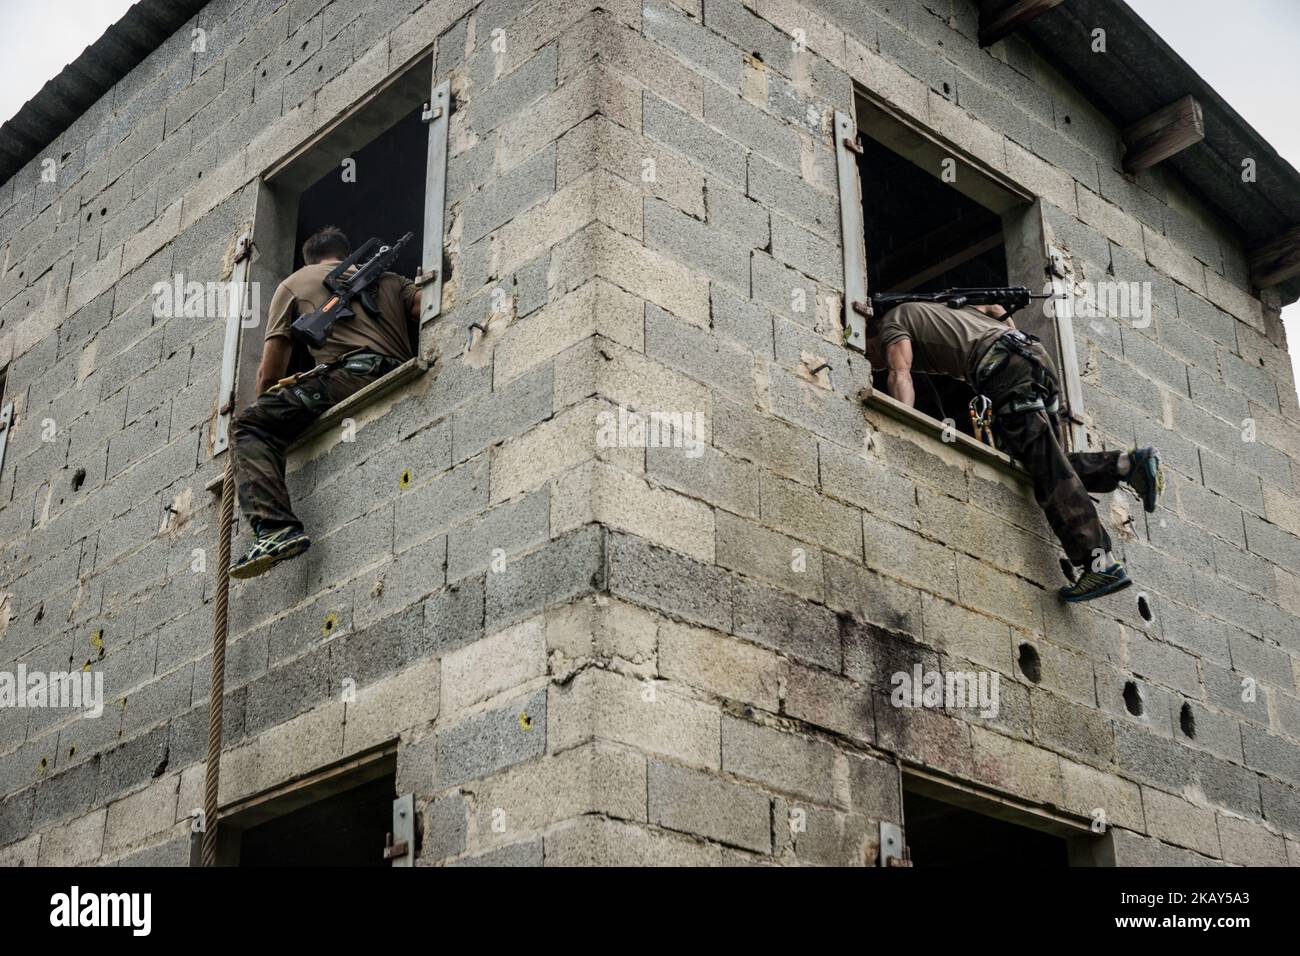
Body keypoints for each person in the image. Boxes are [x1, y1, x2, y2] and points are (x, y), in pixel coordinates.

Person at [864, 299, 1163, 603]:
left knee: (1048, 471)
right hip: (1035, 356)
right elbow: (994, 307)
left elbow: (900, 375)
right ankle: (1127, 465)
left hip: (1005, 369)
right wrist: (1013, 342)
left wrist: (900, 423)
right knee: (1050, 465)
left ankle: (1100, 563)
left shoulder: (892, 323)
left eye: (870, 352)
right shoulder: (940, 307)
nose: (873, 360)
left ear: (873, 333)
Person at [228, 225, 420, 580]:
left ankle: (274, 530)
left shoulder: (295, 282)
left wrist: (272, 414)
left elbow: (269, 376)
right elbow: (428, 306)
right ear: (347, 250)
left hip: (346, 379)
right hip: (394, 371)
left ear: (310, 259)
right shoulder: (393, 279)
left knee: (249, 424)